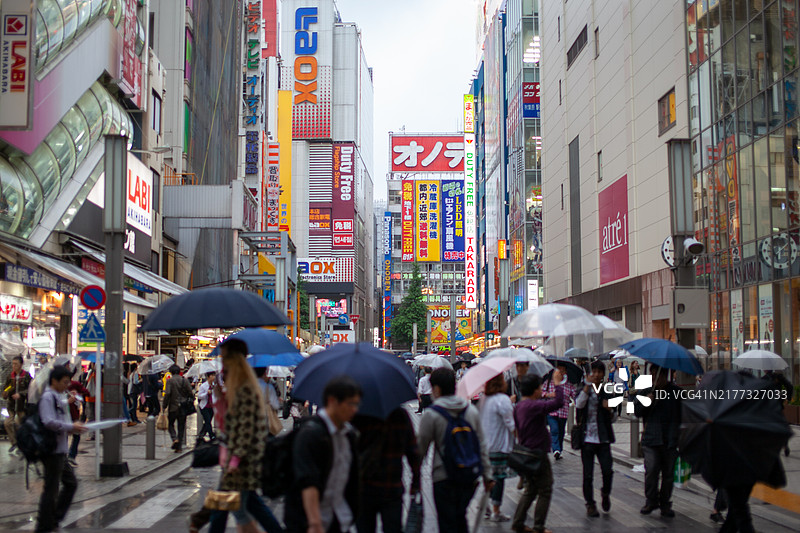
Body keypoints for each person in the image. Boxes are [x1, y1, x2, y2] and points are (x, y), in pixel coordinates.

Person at [209, 338, 280, 533]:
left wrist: (234, 461)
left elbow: (246, 428)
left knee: (226, 510)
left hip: (240, 462)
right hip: (238, 460)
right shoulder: (238, 386)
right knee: (247, 507)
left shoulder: (246, 388)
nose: (222, 362)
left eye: (224, 357)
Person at [418, 367, 492, 533]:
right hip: (469, 476)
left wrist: (415, 480)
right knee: (461, 517)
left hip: (443, 477)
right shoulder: (471, 411)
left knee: (447, 523)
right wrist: (487, 475)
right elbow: (481, 444)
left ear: (436, 389)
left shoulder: (431, 415)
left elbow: (421, 449)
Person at [285, 375, 362, 533]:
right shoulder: (310, 434)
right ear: (333, 401)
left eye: (356, 404)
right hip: (310, 523)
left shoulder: (349, 435)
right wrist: (314, 523)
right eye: (350, 404)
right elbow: (307, 481)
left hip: (340, 519)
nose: (355, 409)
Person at [511, 370, 565, 533]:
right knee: (545, 489)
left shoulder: (519, 406)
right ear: (535, 390)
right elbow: (559, 403)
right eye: (540, 388)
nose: (542, 390)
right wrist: (557, 383)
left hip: (526, 452)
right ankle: (539, 526)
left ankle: (518, 523)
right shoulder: (534, 406)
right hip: (537, 454)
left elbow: (516, 430)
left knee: (531, 490)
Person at [353, 407, 420, 533]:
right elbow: (413, 452)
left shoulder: (358, 416)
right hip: (392, 487)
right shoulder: (400, 415)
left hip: (364, 487)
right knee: (393, 528)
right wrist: (416, 482)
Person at [36, 365, 86, 533]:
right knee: (51, 489)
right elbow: (48, 421)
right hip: (51, 450)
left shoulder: (59, 397)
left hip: (60, 450)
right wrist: (69, 425)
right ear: (54, 381)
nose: (67, 385)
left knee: (69, 484)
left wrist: (73, 427)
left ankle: (53, 519)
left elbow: (61, 420)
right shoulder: (48, 397)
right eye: (64, 382)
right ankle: (45, 525)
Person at [634, 364, 681, 517]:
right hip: (651, 438)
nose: (656, 378)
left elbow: (683, 415)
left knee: (668, 474)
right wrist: (647, 401)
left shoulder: (675, 392)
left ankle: (665, 503)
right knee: (652, 470)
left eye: (659, 375)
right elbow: (636, 411)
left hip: (670, 439)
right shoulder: (647, 391)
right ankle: (651, 500)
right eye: (653, 375)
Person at [575, 360, 616, 517]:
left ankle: (605, 493)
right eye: (594, 372)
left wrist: (610, 410)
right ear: (589, 374)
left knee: (607, 470)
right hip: (587, 439)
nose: (597, 375)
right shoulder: (583, 389)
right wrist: (587, 387)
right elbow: (579, 405)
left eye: (600, 372)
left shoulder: (607, 390)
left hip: (603, 438)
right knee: (588, 474)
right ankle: (590, 504)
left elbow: (614, 417)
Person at [479, 373, 515, 522]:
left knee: (489, 478)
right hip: (499, 445)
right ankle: (496, 510)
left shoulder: (483, 400)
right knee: (499, 478)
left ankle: (487, 507)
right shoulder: (502, 400)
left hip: (484, 445)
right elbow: (510, 424)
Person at [542, 362, 576, 460]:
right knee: (554, 430)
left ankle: (559, 450)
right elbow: (541, 392)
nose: (560, 372)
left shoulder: (568, 384)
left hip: (563, 412)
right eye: (558, 369)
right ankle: (555, 449)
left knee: (561, 432)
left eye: (562, 370)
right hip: (551, 412)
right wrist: (548, 395)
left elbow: (574, 395)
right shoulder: (549, 382)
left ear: (565, 372)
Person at [3, 355, 32, 455]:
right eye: (13, 364)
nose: (14, 366)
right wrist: (6, 392)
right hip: (11, 405)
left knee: (20, 424)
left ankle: (22, 445)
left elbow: (30, 389)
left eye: (16, 364)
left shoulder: (26, 376)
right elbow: (7, 388)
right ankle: (14, 442)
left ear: (21, 364)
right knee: (7, 423)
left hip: (22, 406)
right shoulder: (10, 377)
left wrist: (21, 394)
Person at [162, 364, 193, 452]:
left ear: (171, 372)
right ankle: (179, 447)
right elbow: (190, 392)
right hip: (183, 406)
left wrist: (164, 405)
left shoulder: (170, 381)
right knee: (181, 426)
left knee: (170, 424)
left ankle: (174, 438)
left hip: (173, 407)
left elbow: (167, 394)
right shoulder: (184, 380)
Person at [196, 371, 217, 443]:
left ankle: (201, 435)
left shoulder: (214, 385)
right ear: (208, 376)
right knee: (208, 421)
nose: (214, 377)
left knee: (208, 421)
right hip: (204, 406)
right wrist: (206, 393)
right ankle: (212, 436)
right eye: (212, 375)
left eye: (214, 375)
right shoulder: (203, 386)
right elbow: (199, 396)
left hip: (212, 406)